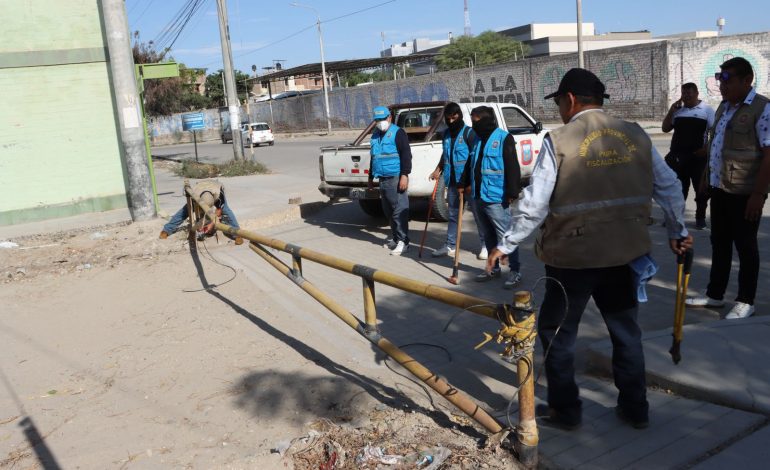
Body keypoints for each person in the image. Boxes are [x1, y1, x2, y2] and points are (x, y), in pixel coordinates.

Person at [487, 68, 692, 430]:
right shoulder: (635, 134)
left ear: (570, 100)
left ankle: (566, 411)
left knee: (558, 334)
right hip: (624, 254)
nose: (561, 111)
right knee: (626, 333)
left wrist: (505, 244)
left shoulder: (560, 139)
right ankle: (635, 409)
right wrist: (678, 230)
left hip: (572, 259)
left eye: (561, 103)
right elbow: (670, 187)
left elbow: (534, 205)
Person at [685, 57, 770, 319]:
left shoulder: (761, 108)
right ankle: (715, 294)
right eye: (719, 78)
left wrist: (758, 194)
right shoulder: (724, 107)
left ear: (747, 80)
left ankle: (746, 300)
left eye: (728, 79)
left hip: (745, 192)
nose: (722, 85)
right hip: (719, 187)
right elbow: (716, 145)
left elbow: (768, 153)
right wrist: (705, 178)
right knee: (719, 243)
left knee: (745, 247)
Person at [460, 106, 523, 289]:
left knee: (506, 235)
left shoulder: (504, 138)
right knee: (487, 235)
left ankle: (515, 271)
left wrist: (512, 192)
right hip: (478, 196)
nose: (473, 124)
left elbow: (512, 166)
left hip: (496, 197)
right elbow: (471, 163)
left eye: (476, 120)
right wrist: (462, 183)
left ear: (485, 120)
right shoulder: (477, 140)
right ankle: (493, 268)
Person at [429, 102, 486, 258]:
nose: (452, 121)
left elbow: (475, 157)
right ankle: (450, 245)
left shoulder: (469, 133)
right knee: (453, 215)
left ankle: (485, 245)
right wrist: (437, 169)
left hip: (468, 184)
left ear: (460, 116)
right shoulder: (446, 134)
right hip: (453, 182)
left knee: (477, 214)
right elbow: (445, 154)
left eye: (454, 118)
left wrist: (469, 181)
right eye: (448, 119)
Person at [662, 82, 715, 229]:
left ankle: (700, 218)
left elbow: (715, 132)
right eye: (684, 94)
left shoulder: (706, 110)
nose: (686, 97)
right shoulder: (678, 110)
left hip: (698, 157)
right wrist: (671, 110)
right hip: (678, 157)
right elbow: (665, 128)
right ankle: (674, 218)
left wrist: (706, 148)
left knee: (701, 190)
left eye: (689, 94)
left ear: (697, 93)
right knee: (677, 190)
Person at [368, 106, 412, 255]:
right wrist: (370, 178)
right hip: (382, 178)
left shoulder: (398, 133)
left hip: (395, 177)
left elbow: (406, 155)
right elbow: (374, 157)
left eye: (383, 119)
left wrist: (404, 175)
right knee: (388, 211)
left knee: (399, 211)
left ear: (390, 118)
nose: (380, 122)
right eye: (377, 120)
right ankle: (395, 237)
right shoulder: (375, 135)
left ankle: (404, 241)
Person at [159, 180, 243, 245]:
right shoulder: (194, 194)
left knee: (227, 211)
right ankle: (166, 230)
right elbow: (194, 209)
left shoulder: (219, 196)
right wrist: (199, 223)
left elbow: (218, 212)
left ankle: (238, 234)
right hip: (201, 190)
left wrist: (210, 225)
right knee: (185, 211)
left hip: (214, 186)